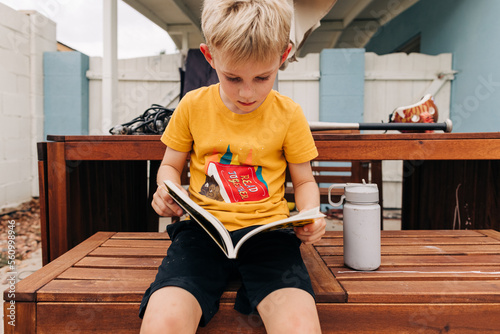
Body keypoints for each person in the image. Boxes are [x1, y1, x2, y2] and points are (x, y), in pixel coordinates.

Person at [139, 0, 325, 332]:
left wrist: (310, 215)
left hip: (270, 235)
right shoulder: (193, 106)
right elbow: (169, 167)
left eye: (262, 77)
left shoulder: (289, 114)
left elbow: (305, 182)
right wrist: (166, 191)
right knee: (164, 317)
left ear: (283, 57)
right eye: (233, 77)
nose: (247, 92)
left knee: (298, 322)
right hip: (201, 232)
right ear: (210, 56)